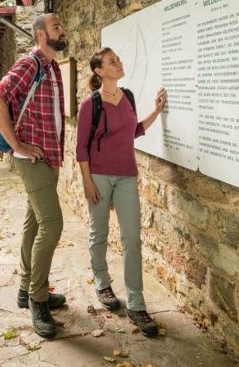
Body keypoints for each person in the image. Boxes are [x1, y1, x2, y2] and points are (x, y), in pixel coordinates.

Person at [0, 13, 68, 339]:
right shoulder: (30, 63)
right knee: (52, 224)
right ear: (40, 35)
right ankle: (38, 298)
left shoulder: (51, 67)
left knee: (34, 222)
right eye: (56, 27)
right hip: (32, 159)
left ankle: (25, 288)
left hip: (48, 157)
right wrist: (17, 145)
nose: (63, 30)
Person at [76, 47, 166, 337]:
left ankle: (136, 304)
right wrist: (87, 182)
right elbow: (81, 149)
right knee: (99, 231)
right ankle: (102, 284)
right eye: (112, 61)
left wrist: (157, 111)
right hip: (99, 176)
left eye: (118, 59)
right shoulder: (90, 104)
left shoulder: (127, 97)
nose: (118, 63)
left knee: (132, 238)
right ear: (99, 71)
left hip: (127, 175)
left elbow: (134, 131)